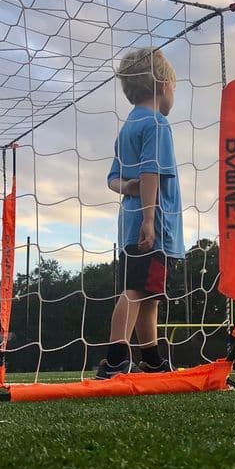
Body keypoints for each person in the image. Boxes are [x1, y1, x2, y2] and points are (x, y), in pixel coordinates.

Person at [96, 47, 182, 379]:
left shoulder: (127, 128)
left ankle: (153, 359)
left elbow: (113, 180)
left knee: (150, 294)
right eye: (174, 85)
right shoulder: (157, 124)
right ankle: (116, 358)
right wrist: (149, 218)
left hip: (128, 224)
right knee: (136, 291)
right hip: (153, 224)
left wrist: (129, 189)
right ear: (162, 83)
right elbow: (151, 172)